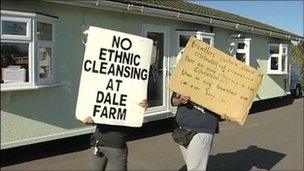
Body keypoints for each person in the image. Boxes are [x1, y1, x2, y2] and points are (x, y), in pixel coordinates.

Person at [83, 99, 148, 171]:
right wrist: (89, 119)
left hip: (117, 147)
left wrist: (140, 110)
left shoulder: (128, 93)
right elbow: (97, 116)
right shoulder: (101, 92)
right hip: (98, 144)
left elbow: (133, 118)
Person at [171, 92, 228, 170]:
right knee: (191, 165)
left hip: (202, 130)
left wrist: (227, 112)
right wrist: (181, 100)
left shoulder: (219, 84)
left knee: (194, 168)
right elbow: (174, 101)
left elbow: (228, 103)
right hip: (182, 130)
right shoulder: (186, 81)